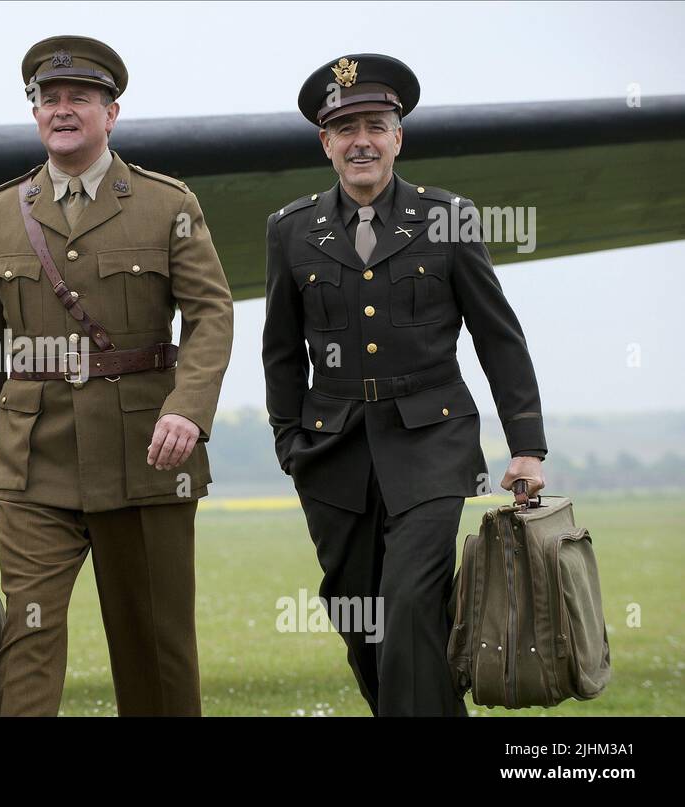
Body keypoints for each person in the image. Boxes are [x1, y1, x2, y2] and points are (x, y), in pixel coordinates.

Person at [0, 36, 234, 716]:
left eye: (80, 97)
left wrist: (188, 410)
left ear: (113, 113)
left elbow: (211, 314)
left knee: (155, 648)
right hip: (33, 457)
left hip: (145, 452)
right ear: (36, 116)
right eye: (49, 100)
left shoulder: (167, 204)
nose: (63, 110)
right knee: (27, 636)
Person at [262, 54, 549, 716]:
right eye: (346, 127)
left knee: (413, 602)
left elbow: (497, 336)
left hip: (431, 443)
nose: (361, 139)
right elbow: (282, 350)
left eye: (376, 123)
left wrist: (526, 444)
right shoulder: (291, 229)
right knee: (361, 619)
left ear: (398, 135)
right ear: (325, 141)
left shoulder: (448, 217)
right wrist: (289, 443)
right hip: (332, 455)